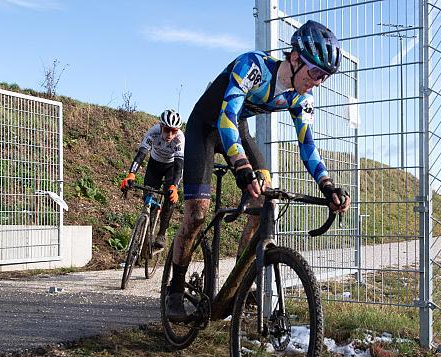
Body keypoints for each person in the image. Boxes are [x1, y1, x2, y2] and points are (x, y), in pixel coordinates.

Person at [166, 20, 351, 321]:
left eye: (324, 76)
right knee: (197, 213)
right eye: (315, 72)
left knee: (264, 200)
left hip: (237, 130)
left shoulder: (302, 99)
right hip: (207, 126)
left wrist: (327, 185)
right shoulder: (254, 65)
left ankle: (236, 287)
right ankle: (175, 289)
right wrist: (241, 165)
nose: (318, 81)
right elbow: (226, 116)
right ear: (294, 58)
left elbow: (308, 147)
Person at [120, 109, 184, 250]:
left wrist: (175, 186)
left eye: (173, 131)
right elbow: (141, 154)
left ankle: (161, 233)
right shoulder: (153, 132)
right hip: (154, 165)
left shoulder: (180, 138)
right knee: (149, 199)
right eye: (167, 130)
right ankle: (147, 228)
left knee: (170, 197)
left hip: (171, 167)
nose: (170, 135)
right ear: (161, 126)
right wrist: (131, 174)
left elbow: (180, 165)